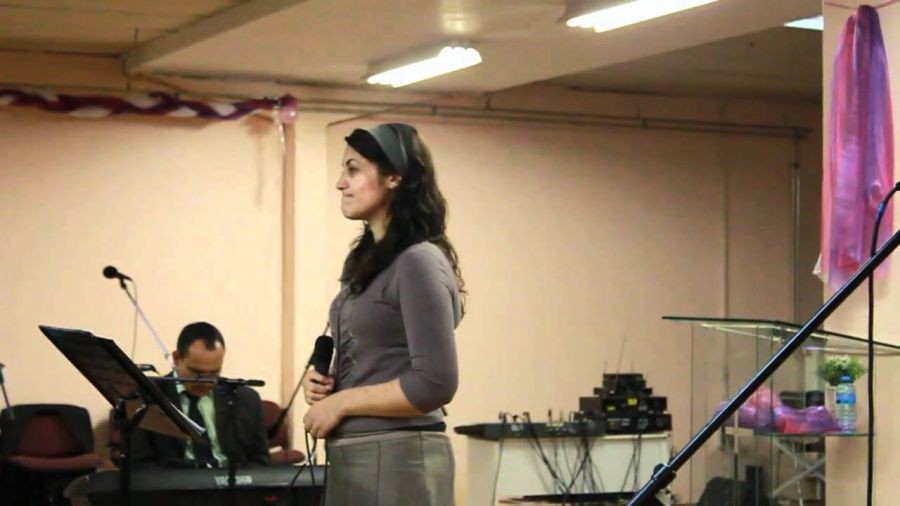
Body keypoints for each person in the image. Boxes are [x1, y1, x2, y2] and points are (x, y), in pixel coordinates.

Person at [302, 123, 463, 505]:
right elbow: (378, 362)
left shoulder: (418, 261)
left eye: (353, 170)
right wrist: (326, 386)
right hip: (357, 454)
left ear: (394, 177)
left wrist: (341, 402)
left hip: (398, 456)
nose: (341, 183)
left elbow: (435, 383)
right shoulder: (367, 263)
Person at [130, 321, 270, 468]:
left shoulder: (245, 399)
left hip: (228, 479)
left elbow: (260, 462)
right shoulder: (148, 396)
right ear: (177, 358)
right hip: (174, 480)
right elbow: (140, 465)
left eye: (214, 372)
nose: (206, 382)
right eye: (197, 373)